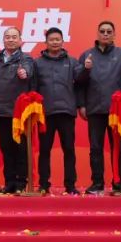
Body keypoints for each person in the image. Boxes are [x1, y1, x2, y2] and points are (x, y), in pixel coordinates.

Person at [77, 20, 121, 194]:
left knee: (118, 148)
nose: (105, 34)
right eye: (102, 31)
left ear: (114, 35)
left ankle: (119, 183)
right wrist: (81, 104)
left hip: (117, 111)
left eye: (109, 31)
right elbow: (79, 82)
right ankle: (97, 183)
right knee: (95, 148)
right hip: (94, 109)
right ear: (97, 34)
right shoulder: (87, 55)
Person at [33, 27, 83, 194]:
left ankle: (70, 185)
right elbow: (33, 87)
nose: (55, 42)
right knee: (44, 150)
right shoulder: (37, 63)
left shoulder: (72, 61)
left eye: (58, 39)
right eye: (51, 40)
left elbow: (81, 79)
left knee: (69, 149)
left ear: (63, 41)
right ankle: (43, 184)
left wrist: (87, 69)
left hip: (66, 112)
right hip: (45, 113)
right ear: (46, 42)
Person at [0, 27, 36, 194]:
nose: (10, 40)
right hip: (1, 110)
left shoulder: (26, 59)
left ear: (20, 40)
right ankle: (9, 181)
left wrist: (24, 73)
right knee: (6, 148)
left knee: (21, 148)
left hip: (19, 113)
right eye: (7, 37)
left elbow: (28, 71)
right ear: (3, 40)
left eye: (14, 37)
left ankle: (21, 182)